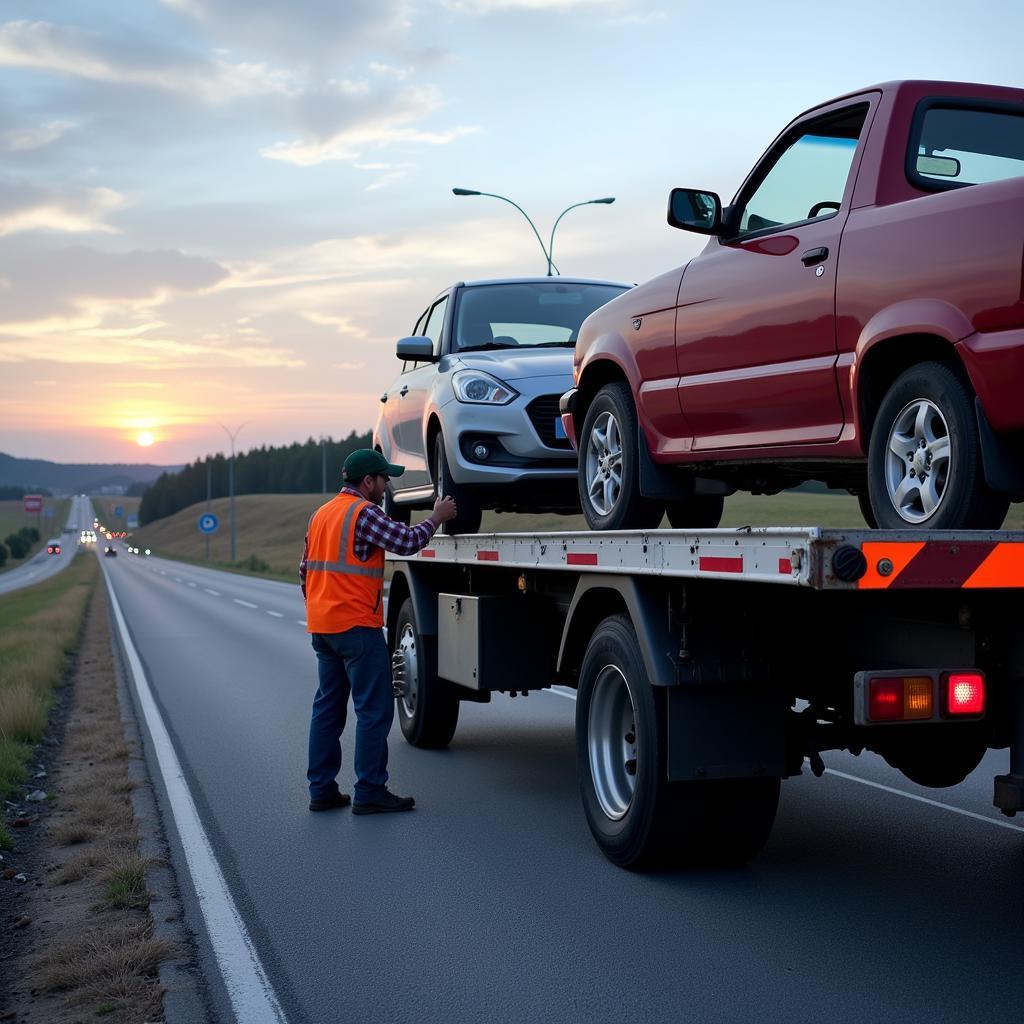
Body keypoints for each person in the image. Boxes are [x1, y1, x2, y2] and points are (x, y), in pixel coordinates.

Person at [300, 449, 457, 814]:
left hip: (323, 628)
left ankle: (321, 790)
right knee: (374, 710)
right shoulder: (363, 513)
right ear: (368, 481)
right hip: (357, 627)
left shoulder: (320, 515)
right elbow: (406, 542)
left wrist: (321, 609)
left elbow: (305, 572)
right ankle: (370, 790)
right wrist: (437, 516)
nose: (387, 486)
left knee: (327, 710)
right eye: (384, 479)